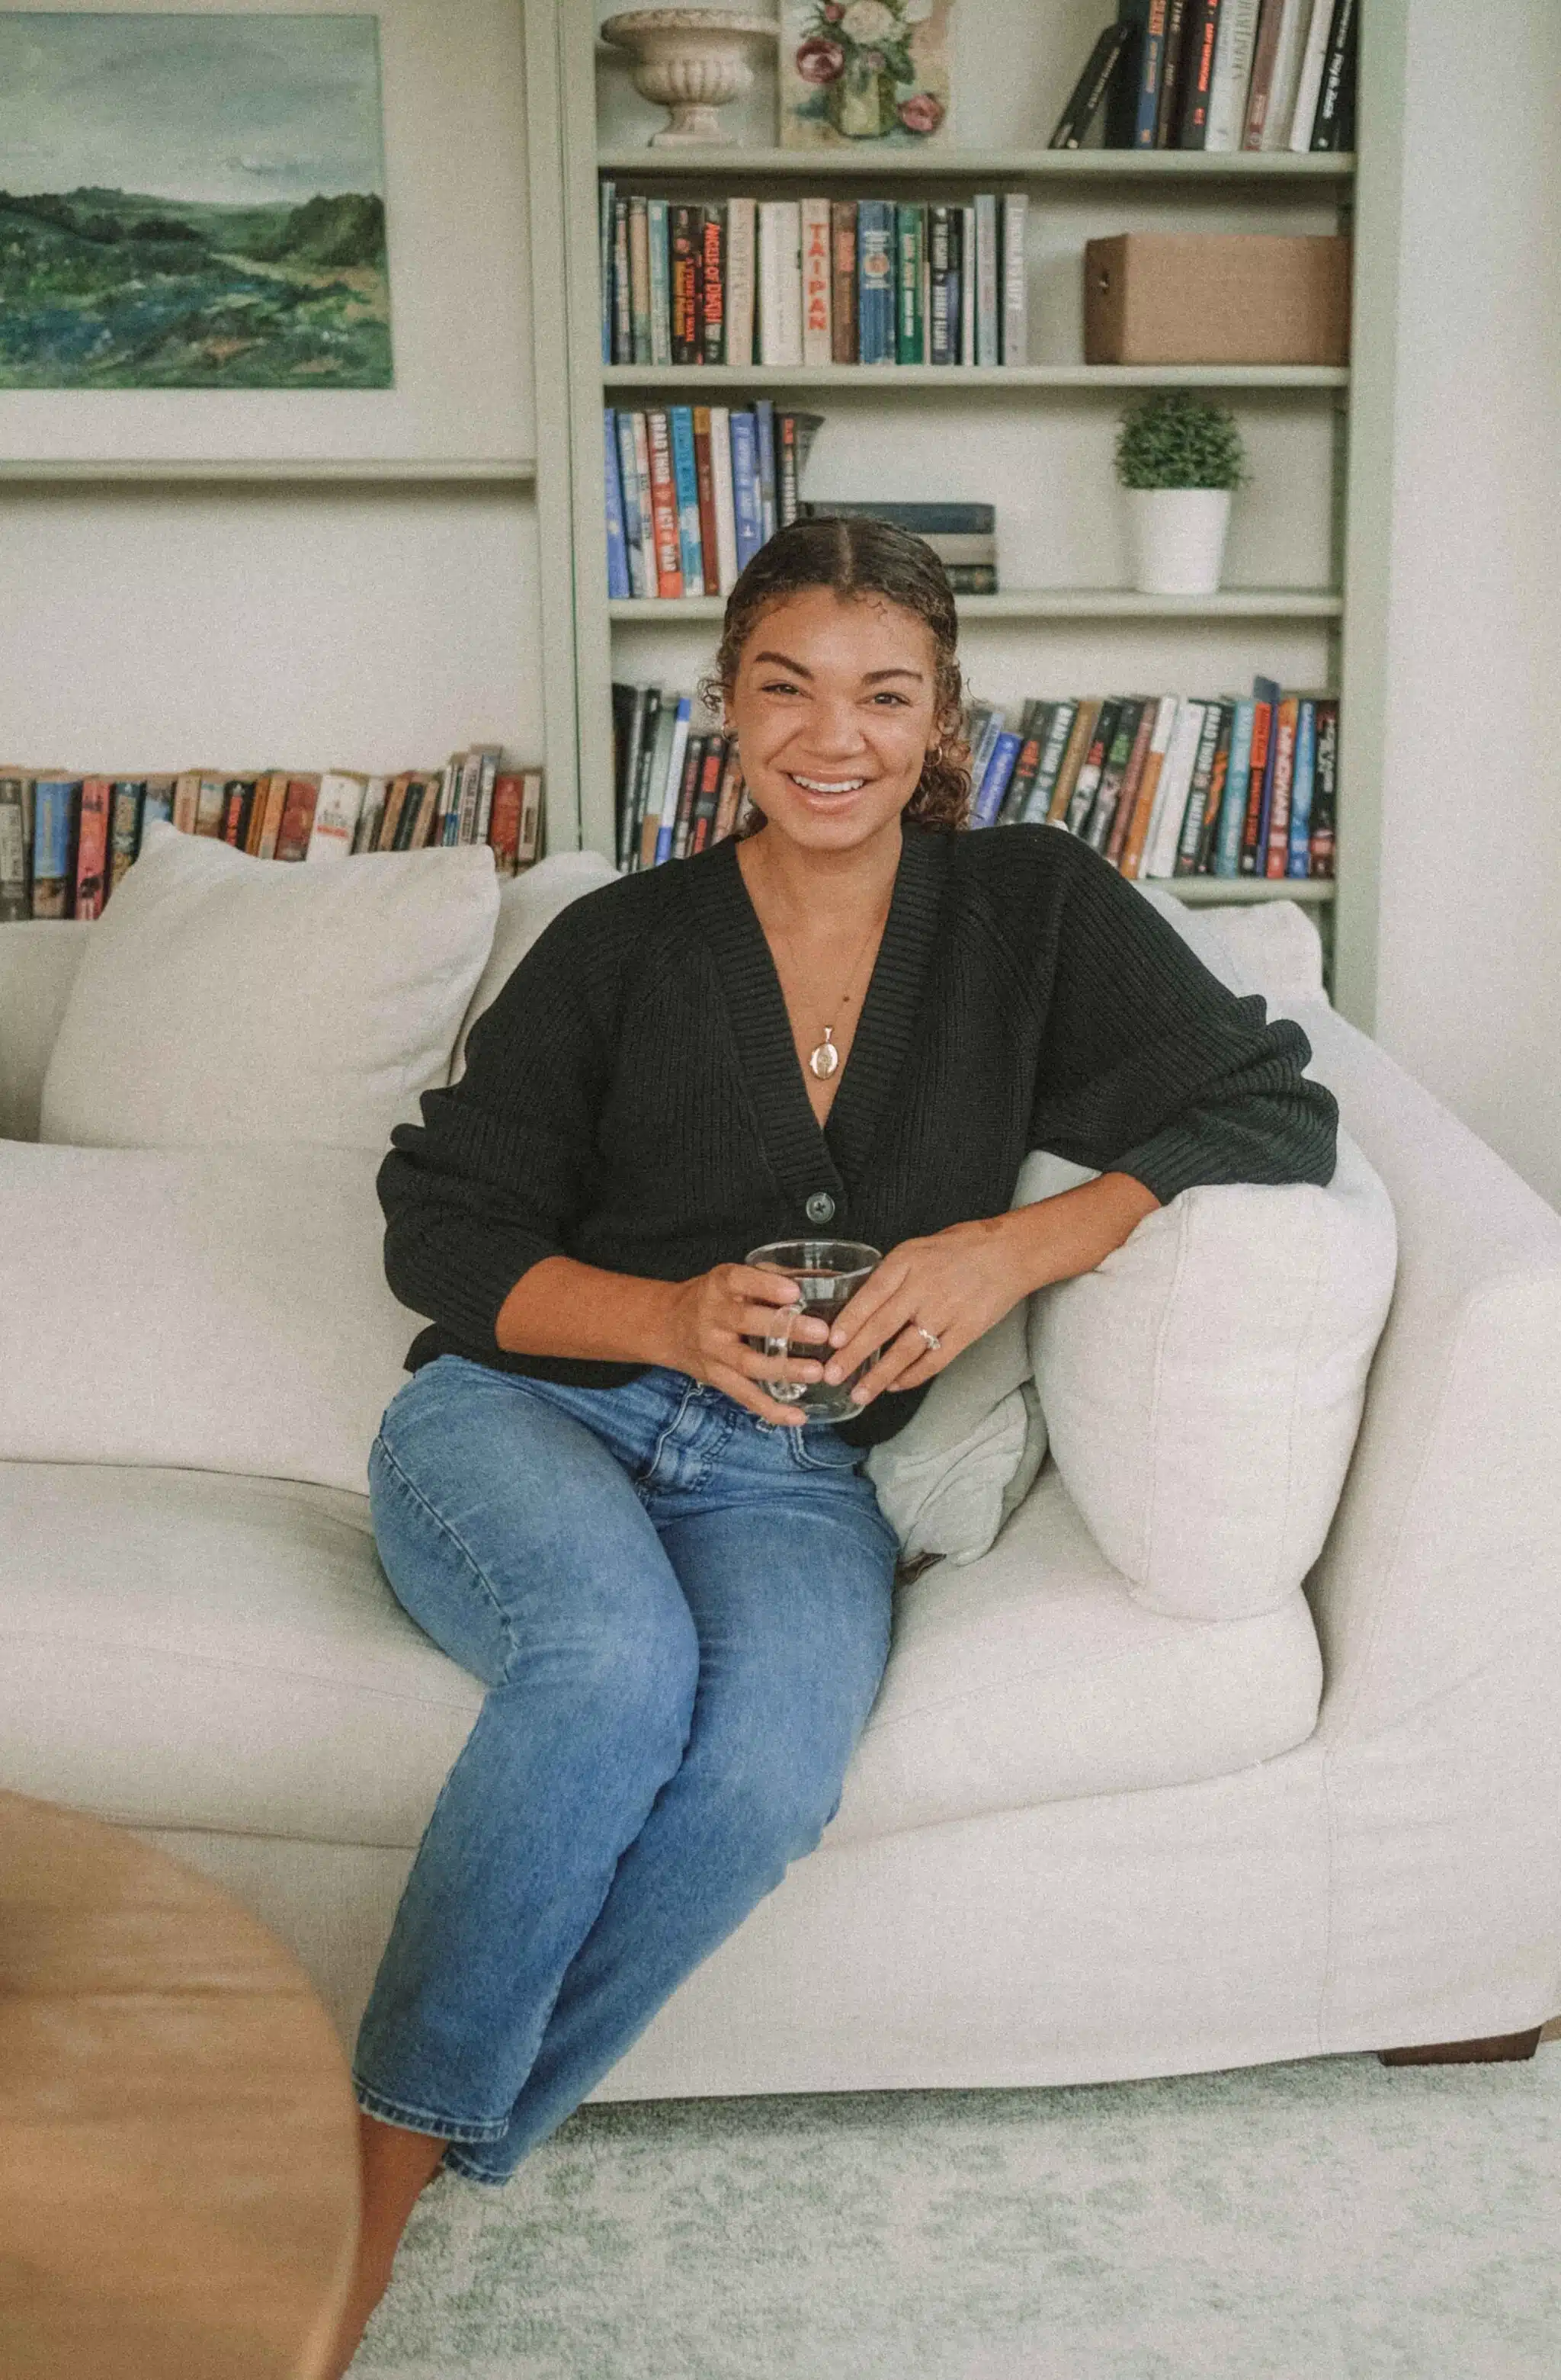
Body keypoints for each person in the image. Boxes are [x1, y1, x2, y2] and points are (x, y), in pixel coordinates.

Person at [322, 515, 1338, 2374]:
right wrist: (661, 1313)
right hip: (530, 1410)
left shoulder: (1025, 908)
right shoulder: (619, 942)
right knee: (612, 1671)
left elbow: (1269, 1103)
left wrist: (1014, 1243)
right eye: (783, 684)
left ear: (943, 716)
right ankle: (365, 2212)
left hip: (794, 1474)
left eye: (884, 692)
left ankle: (441, 2121)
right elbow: (438, 1225)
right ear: (723, 707)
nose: (833, 734)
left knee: (769, 1777)